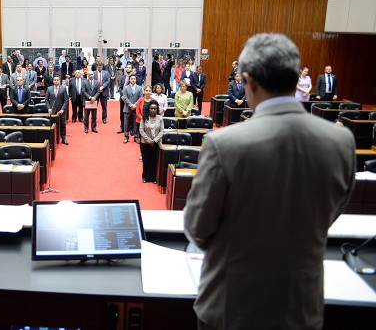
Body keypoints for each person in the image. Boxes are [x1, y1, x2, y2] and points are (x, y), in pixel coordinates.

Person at [184, 32, 355, 330]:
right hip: (300, 307)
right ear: (294, 78)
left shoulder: (224, 144)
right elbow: (330, 213)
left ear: (248, 81)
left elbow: (198, 229)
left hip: (233, 306)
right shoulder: (340, 141)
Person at [139, 101, 164, 184]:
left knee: (154, 160)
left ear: (157, 109)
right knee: (146, 160)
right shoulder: (144, 118)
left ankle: (153, 177)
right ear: (148, 109)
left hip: (156, 143)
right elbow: (141, 130)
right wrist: (149, 140)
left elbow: (162, 131)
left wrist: (155, 140)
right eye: (151, 108)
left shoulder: (160, 118)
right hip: (145, 143)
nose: (153, 110)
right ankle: (145, 176)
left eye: (154, 109)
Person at [45, 75, 69, 145]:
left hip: (61, 110)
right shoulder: (49, 89)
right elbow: (46, 100)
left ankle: (63, 138)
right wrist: (49, 108)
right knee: (52, 125)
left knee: (63, 124)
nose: (56, 81)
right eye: (55, 80)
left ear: (59, 81)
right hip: (52, 110)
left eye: (57, 80)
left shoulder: (63, 88)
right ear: (53, 81)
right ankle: (53, 139)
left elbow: (66, 100)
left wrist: (62, 109)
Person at [122, 74, 143, 143]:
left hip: (136, 109)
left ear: (136, 80)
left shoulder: (139, 88)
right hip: (127, 108)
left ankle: (136, 137)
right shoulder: (126, 88)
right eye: (131, 79)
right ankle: (126, 137)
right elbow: (125, 97)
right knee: (126, 124)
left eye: (134, 79)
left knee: (135, 124)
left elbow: (140, 97)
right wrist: (131, 105)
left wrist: (135, 105)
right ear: (129, 80)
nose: (133, 80)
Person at [117, 63, 133, 134]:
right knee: (122, 113)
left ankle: (131, 128)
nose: (128, 68)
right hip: (122, 98)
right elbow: (120, 87)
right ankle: (122, 127)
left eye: (129, 67)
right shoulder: (123, 77)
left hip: (130, 99)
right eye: (127, 67)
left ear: (132, 69)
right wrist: (122, 96)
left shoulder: (133, 78)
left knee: (131, 113)